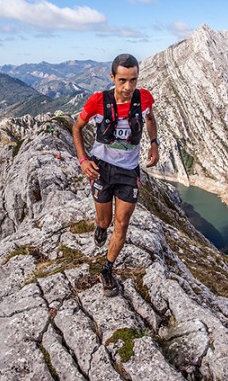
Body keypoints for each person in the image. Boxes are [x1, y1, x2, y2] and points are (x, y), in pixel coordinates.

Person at [72, 53, 160, 297]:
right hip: (101, 168)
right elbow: (77, 128)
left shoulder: (144, 99)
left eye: (133, 80)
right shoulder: (98, 101)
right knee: (105, 221)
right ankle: (100, 228)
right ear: (113, 77)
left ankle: (107, 270)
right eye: (122, 80)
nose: (128, 87)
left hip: (129, 172)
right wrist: (83, 160)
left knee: (122, 222)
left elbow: (150, 118)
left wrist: (154, 143)